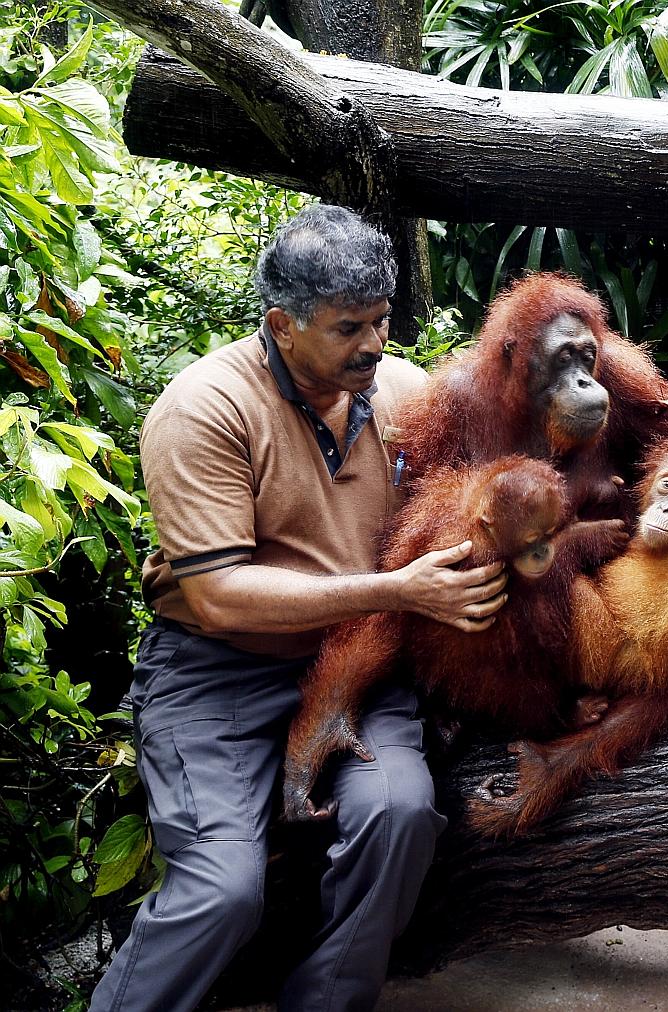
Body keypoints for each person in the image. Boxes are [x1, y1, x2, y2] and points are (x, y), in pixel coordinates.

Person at [91, 205, 508, 1012]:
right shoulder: (206, 407)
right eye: (349, 328)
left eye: (383, 321)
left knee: (400, 817)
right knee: (223, 887)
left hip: (357, 660)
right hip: (218, 671)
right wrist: (394, 589)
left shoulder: (403, 393)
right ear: (282, 326)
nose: (374, 345)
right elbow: (217, 596)